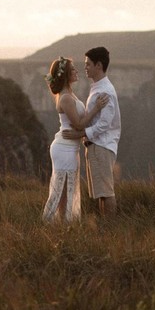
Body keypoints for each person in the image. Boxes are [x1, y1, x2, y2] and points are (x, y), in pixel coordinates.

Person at [42, 56, 108, 222]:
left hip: (70, 147)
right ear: (65, 75)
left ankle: (63, 223)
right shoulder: (65, 98)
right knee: (62, 190)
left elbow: (78, 128)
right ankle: (52, 223)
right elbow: (78, 125)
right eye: (73, 69)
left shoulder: (69, 94)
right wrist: (96, 109)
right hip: (64, 148)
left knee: (66, 188)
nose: (77, 71)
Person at [63, 46, 120, 218]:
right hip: (96, 145)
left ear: (99, 65)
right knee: (99, 192)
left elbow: (104, 124)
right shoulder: (98, 87)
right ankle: (105, 227)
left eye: (88, 64)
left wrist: (80, 134)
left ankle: (109, 229)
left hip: (101, 146)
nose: (85, 67)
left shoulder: (105, 91)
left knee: (106, 192)